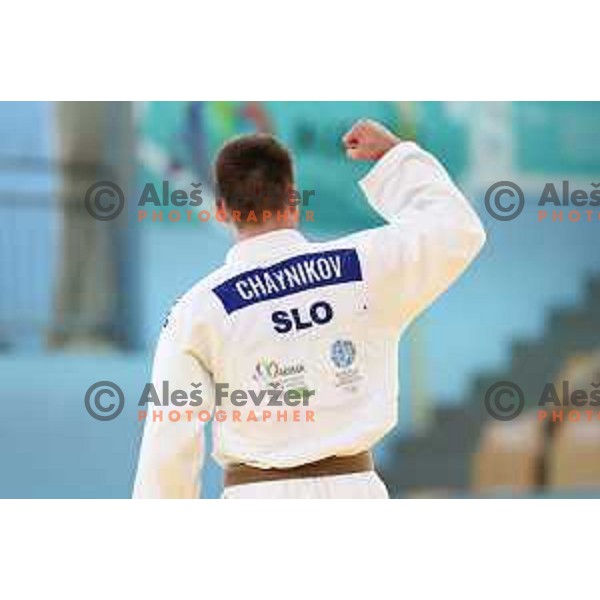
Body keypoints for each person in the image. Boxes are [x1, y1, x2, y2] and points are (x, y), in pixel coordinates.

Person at [133, 119, 486, 499]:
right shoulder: (364, 265)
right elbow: (456, 229)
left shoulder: (196, 310)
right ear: (294, 199)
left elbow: (168, 442)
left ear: (221, 210)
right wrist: (395, 157)